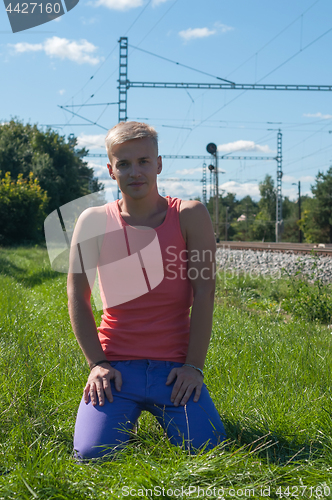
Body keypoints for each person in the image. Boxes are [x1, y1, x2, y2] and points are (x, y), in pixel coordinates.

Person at [67, 121, 226, 460]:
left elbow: (204, 293)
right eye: (123, 163)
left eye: (143, 161)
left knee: (207, 449)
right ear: (111, 170)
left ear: (159, 164)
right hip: (116, 368)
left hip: (174, 370)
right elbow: (78, 297)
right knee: (92, 455)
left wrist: (193, 367)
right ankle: (121, 413)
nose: (134, 171)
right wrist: (97, 364)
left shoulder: (189, 215)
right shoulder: (93, 221)